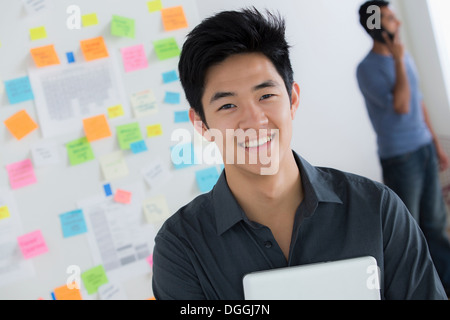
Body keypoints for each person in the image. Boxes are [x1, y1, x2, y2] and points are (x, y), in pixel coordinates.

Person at [152, 7, 447, 300]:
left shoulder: (378, 209)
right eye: (228, 105)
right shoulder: (181, 247)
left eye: (266, 96)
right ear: (201, 123)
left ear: (292, 100)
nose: (254, 120)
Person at [357, 0, 450, 295]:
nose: (396, 22)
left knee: (435, 224)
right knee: (408, 231)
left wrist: (435, 144)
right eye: (389, 18)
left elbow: (418, 102)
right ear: (376, 26)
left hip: (422, 147)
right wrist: (397, 59)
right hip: (400, 157)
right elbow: (402, 105)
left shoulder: (403, 56)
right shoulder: (367, 69)